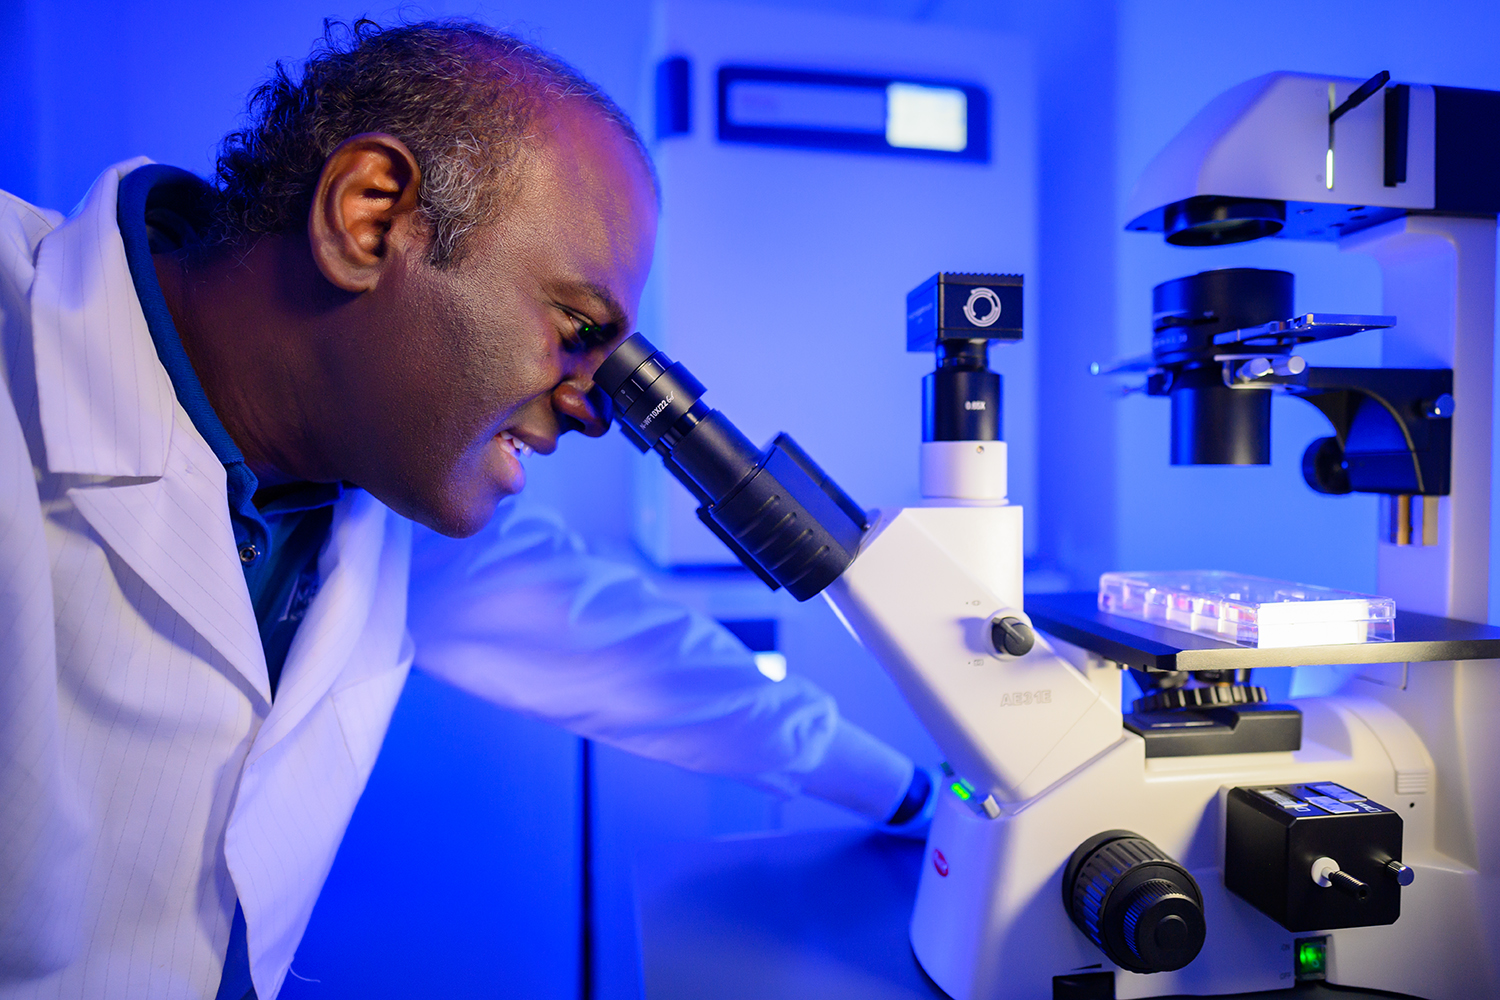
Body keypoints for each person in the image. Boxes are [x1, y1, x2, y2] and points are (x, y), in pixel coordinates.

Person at [0, 18, 933, 1000]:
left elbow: (631, 652)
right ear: (371, 217)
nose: (591, 405)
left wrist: (916, 794)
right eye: (578, 329)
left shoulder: (369, 482)